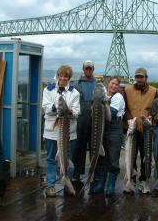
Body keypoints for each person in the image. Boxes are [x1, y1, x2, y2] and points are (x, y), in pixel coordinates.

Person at [42, 65, 80, 197]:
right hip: (52, 132)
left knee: (67, 159)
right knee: (51, 159)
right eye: (61, 75)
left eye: (66, 76)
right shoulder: (48, 89)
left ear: (69, 78)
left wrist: (68, 111)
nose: (63, 78)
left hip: (68, 133)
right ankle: (50, 185)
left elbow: (76, 112)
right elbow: (45, 108)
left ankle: (66, 182)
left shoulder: (75, 93)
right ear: (58, 76)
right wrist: (54, 106)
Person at [89, 77, 125, 196]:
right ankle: (101, 184)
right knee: (102, 157)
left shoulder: (118, 97)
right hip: (103, 129)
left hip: (115, 129)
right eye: (112, 83)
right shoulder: (103, 95)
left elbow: (111, 114)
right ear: (107, 84)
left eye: (116, 84)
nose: (113, 86)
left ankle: (111, 185)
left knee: (113, 157)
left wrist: (102, 104)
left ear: (118, 86)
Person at [124, 67, 157, 194]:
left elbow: (155, 108)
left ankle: (144, 181)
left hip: (146, 129)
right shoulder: (127, 90)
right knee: (130, 154)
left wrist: (151, 117)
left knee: (146, 155)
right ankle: (131, 179)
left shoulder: (154, 91)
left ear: (146, 78)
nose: (139, 79)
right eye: (137, 77)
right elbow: (125, 107)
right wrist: (128, 119)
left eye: (141, 77)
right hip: (131, 128)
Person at [73, 60, 97, 181]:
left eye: (90, 68)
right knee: (79, 148)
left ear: (93, 70)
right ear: (83, 69)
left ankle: (93, 173)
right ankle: (76, 173)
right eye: (86, 68)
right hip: (80, 122)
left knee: (94, 147)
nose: (88, 70)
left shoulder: (98, 85)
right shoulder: (76, 84)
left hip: (94, 121)